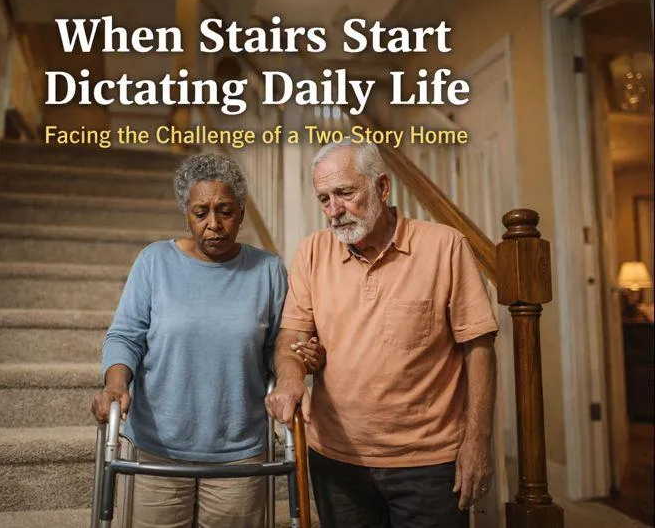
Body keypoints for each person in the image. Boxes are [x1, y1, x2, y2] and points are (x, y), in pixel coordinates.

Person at [265, 141, 498, 528]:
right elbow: (292, 334)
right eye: (324, 199)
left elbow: (479, 346)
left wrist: (478, 440)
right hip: (335, 460)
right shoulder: (312, 252)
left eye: (345, 193)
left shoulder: (444, 246)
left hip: (428, 463)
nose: (334, 211)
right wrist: (290, 381)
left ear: (382, 187)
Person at [90, 153, 324, 528]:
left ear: (242, 211)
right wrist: (116, 385)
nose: (213, 224)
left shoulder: (267, 270)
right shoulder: (154, 262)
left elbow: (279, 348)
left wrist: (297, 361)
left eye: (225, 211)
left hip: (239, 452)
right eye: (201, 213)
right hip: (158, 450)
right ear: (187, 213)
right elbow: (125, 336)